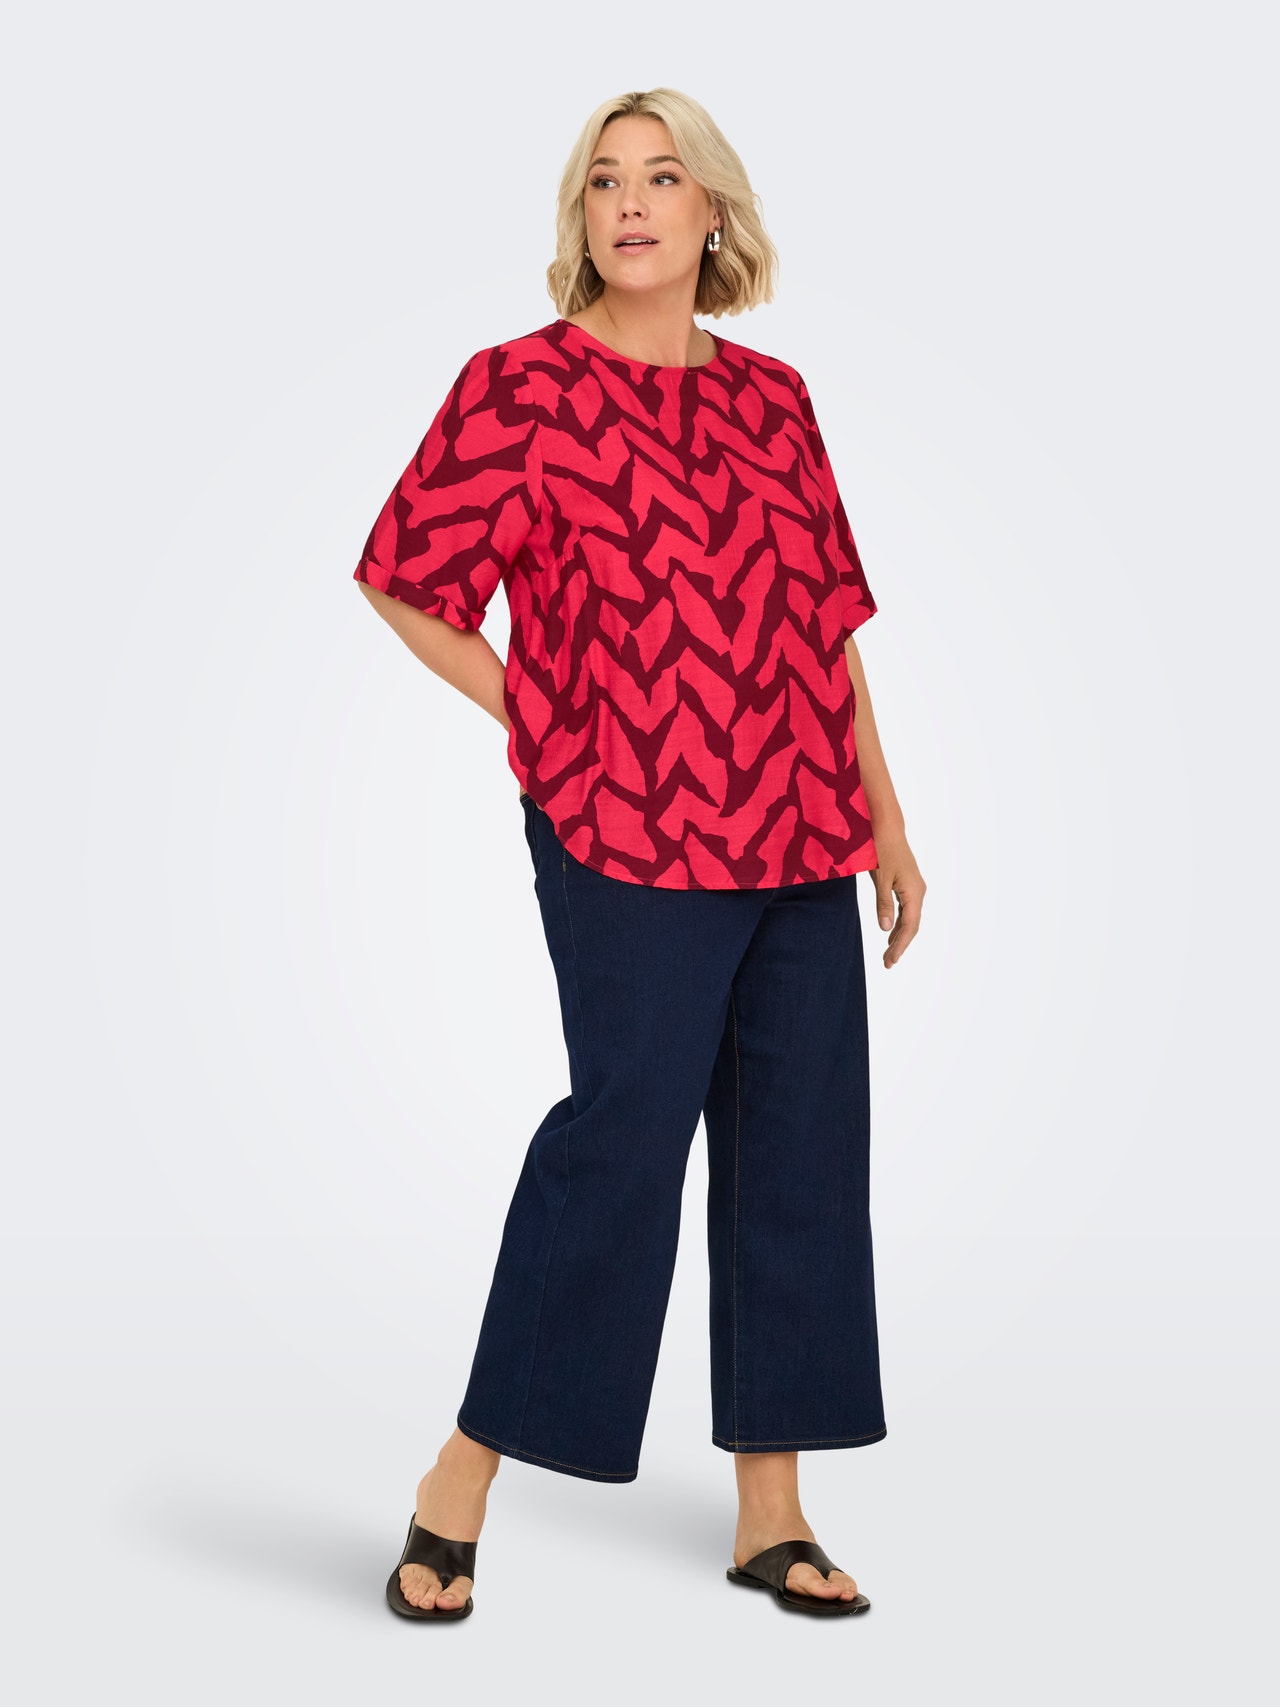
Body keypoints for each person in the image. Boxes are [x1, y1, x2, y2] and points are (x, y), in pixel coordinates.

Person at [354, 86, 925, 1621]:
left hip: (798, 822)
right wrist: (532, 712)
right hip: (623, 819)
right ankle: (460, 1478)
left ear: (711, 212)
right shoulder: (518, 390)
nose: (631, 203)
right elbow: (405, 576)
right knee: (620, 1142)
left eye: (663, 178)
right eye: (605, 180)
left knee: (801, 1155)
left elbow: (828, 623)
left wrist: (885, 813)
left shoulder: (777, 399)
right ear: (582, 217)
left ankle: (770, 1514)